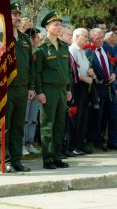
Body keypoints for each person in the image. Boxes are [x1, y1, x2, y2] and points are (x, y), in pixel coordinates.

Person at [0, 3, 35, 173]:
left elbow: (30, 67)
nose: (17, 18)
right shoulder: (1, 38)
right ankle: (6, 161)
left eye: (19, 15)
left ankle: (17, 160)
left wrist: (31, 87)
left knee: (18, 127)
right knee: (6, 127)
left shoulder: (25, 39)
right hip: (7, 89)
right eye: (13, 14)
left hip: (22, 88)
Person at [34, 11, 72, 169]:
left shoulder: (64, 47)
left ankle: (57, 156)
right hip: (48, 90)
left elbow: (68, 70)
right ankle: (48, 158)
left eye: (60, 24)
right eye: (55, 24)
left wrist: (68, 88)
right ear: (47, 27)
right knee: (47, 124)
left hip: (62, 89)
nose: (59, 27)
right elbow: (37, 73)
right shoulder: (41, 49)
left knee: (59, 124)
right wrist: (39, 92)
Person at [88, 28, 117, 151]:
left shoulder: (108, 49)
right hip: (97, 88)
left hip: (110, 87)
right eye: (97, 38)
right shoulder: (88, 52)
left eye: (102, 38)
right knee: (99, 115)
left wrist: (114, 74)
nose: (100, 40)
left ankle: (113, 141)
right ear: (91, 39)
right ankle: (97, 140)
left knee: (114, 113)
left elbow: (115, 65)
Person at [68, 28, 94, 155]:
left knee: (83, 117)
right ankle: (73, 146)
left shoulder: (82, 51)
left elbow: (85, 67)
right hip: (77, 86)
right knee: (76, 118)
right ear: (77, 36)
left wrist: (91, 73)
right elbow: (73, 71)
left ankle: (80, 144)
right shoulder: (72, 50)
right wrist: (85, 78)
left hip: (84, 86)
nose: (87, 39)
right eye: (85, 36)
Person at [22, 28, 41, 155]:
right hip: (26, 89)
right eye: (36, 38)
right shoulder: (27, 51)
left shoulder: (36, 51)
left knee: (33, 118)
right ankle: (22, 143)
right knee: (24, 118)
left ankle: (30, 143)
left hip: (34, 89)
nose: (38, 41)